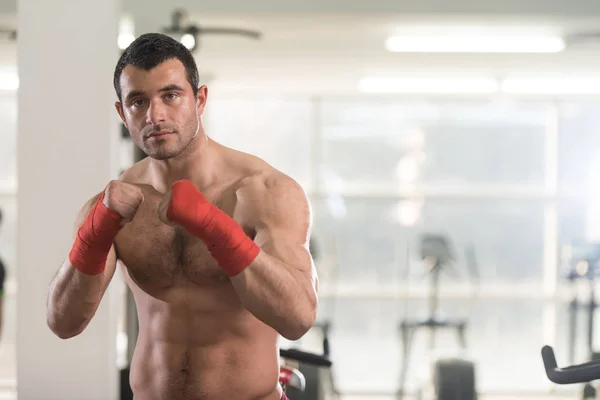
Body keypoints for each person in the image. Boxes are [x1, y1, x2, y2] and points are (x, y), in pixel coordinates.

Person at [46, 33, 318, 400]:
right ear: (121, 112)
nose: (154, 115)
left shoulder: (263, 192)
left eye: (170, 96)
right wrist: (93, 236)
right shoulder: (114, 206)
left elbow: (298, 317)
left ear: (200, 99)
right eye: (138, 101)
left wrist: (217, 230)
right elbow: (63, 322)